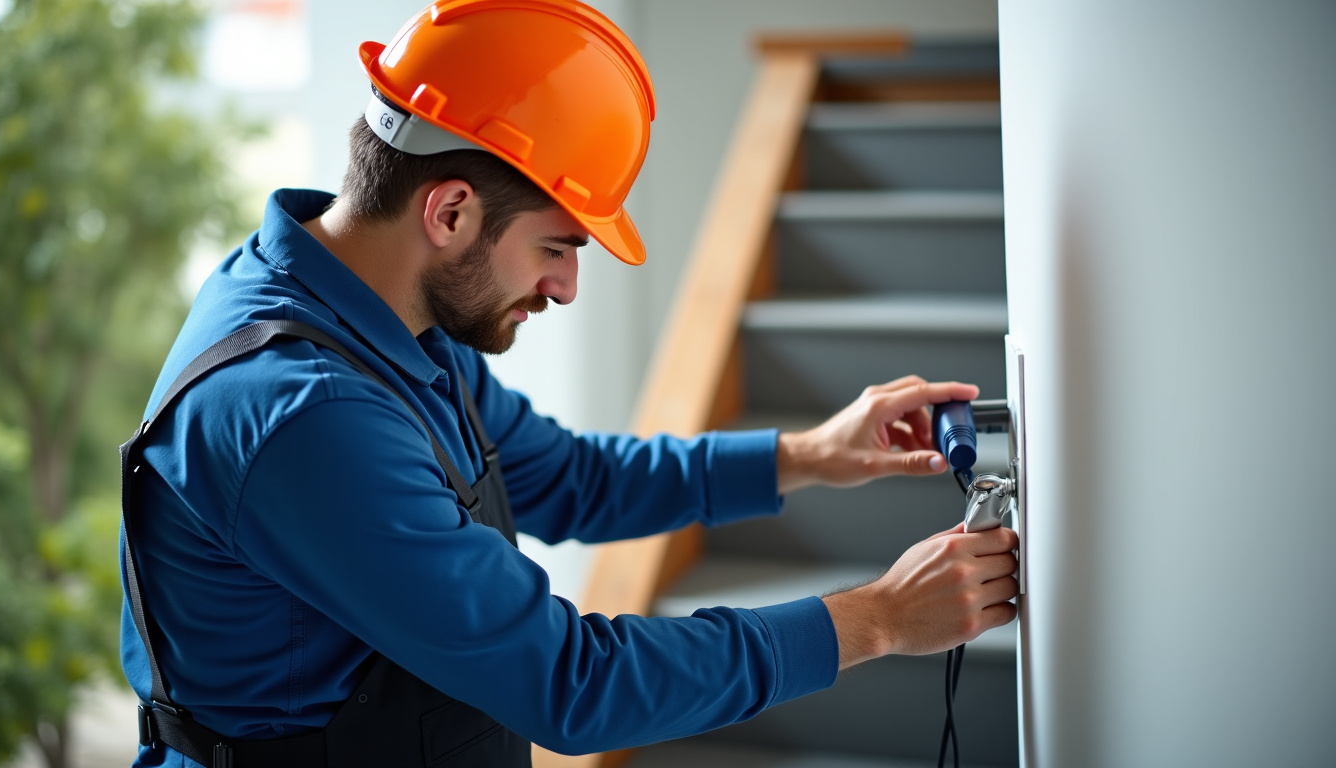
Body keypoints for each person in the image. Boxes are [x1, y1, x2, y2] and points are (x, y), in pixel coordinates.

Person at [119, 1, 1019, 766]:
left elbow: (570, 479)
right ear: (450, 211)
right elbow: (572, 684)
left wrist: (811, 454)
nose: (565, 286)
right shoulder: (303, 415)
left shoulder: (387, 313)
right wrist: (879, 619)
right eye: (557, 246)